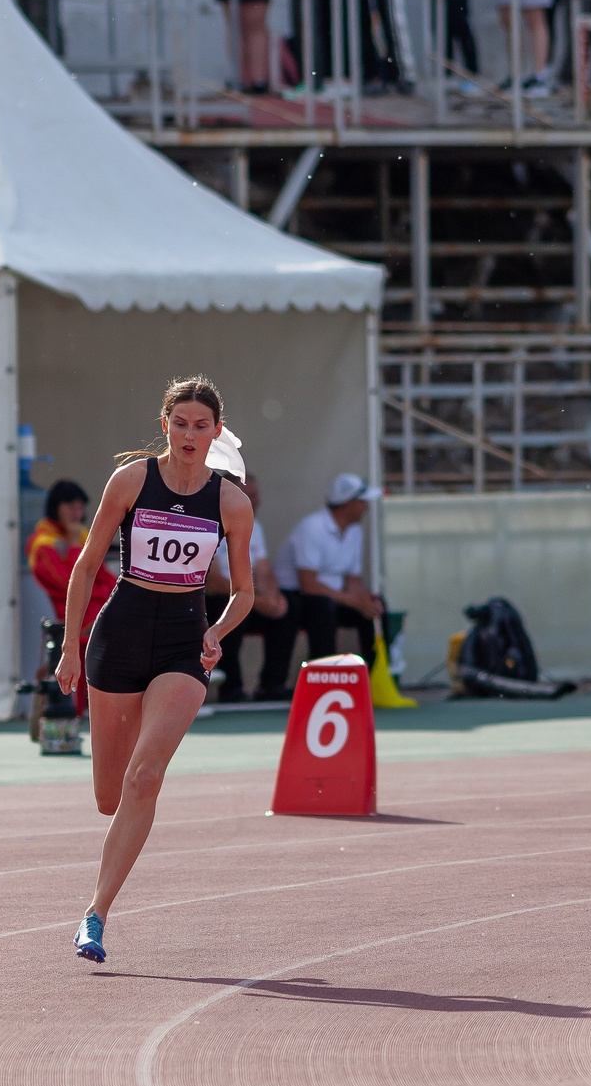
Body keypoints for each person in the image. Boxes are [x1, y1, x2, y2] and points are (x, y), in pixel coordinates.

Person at [55, 378, 256, 965]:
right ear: (165, 423)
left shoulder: (230, 502)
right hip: (119, 634)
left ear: (216, 431)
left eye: (202, 426)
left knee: (145, 777)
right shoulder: (133, 480)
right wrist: (70, 647)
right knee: (108, 796)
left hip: (182, 643)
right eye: (181, 423)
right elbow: (87, 564)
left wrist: (216, 631)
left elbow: (244, 591)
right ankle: (103, 883)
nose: (190, 435)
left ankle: (95, 914)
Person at [27, 478, 118, 713]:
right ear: (56, 507)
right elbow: (71, 583)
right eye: (71, 507)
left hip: (94, 617)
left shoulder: (78, 536)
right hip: (74, 624)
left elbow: (107, 580)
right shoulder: (43, 544)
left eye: (80, 508)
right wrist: (77, 545)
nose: (77, 514)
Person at [203, 473, 296, 703]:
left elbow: (264, 570)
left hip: (248, 596)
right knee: (230, 609)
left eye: (256, 495)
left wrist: (273, 598)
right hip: (217, 600)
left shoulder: (256, 526)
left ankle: (272, 685)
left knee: (289, 609)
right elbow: (211, 579)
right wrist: (254, 599)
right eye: (249, 496)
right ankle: (230, 688)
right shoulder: (207, 525)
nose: (256, 501)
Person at [281, 472, 384, 668]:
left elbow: (353, 580)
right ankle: (324, 675)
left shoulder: (355, 531)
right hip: (300, 598)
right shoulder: (312, 527)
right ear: (347, 504)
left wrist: (364, 602)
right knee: (323, 608)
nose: (366, 508)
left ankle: (377, 674)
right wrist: (353, 600)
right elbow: (308, 584)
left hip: (332, 598)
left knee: (376, 605)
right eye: (362, 502)